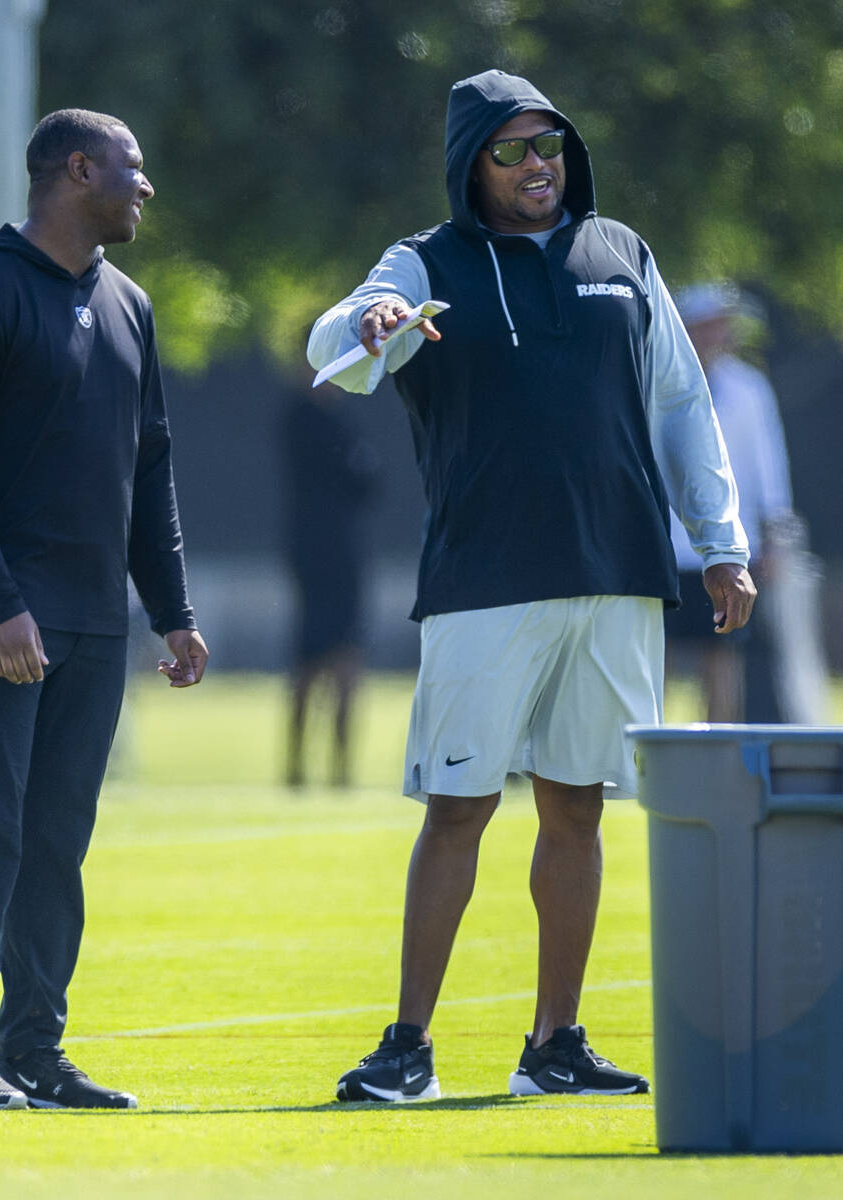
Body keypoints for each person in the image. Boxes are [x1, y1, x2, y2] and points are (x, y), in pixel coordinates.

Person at [308, 69, 755, 1102]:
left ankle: (552, 1045)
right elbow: (331, 345)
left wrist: (718, 542)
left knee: (577, 808)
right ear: (471, 163)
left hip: (615, 574)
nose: (534, 166)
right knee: (456, 807)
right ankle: (406, 1047)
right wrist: (368, 322)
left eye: (547, 144)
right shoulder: (423, 259)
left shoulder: (622, 254)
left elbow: (681, 402)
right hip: (483, 580)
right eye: (508, 150)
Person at [0, 109, 208, 1111]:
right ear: (77, 170)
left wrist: (169, 608)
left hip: (91, 625)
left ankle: (32, 1054)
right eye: (133, 168)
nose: (145, 188)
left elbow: (150, 463)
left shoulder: (128, 303)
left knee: (54, 845)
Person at [666, 284, 794, 722]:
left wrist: (775, 536)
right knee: (654, 656)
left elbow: (768, 466)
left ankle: (717, 757)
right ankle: (649, 759)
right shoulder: (657, 377)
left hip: (728, 546)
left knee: (721, 656)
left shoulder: (748, 386)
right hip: (664, 543)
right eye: (708, 323)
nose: (718, 333)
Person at [280, 369, 380, 788]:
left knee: (344, 658)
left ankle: (339, 769)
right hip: (317, 556)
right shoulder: (304, 420)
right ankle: (298, 766)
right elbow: (364, 477)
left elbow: (371, 484)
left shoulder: (340, 419)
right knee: (312, 659)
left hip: (342, 555)